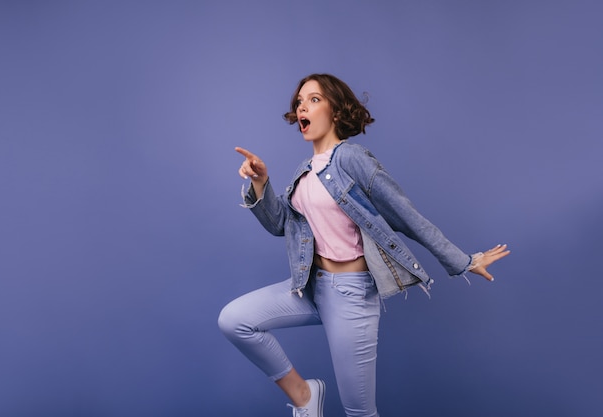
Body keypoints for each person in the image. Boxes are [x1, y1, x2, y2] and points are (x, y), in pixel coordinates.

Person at [218, 73, 510, 417]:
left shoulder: (352, 159)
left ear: (336, 111)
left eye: (313, 99)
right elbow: (280, 224)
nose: (302, 107)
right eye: (299, 102)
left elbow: (407, 216)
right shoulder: (304, 172)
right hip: (310, 287)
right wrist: (261, 182)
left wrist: (463, 261)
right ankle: (303, 395)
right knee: (234, 320)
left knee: (359, 412)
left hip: (351, 295)